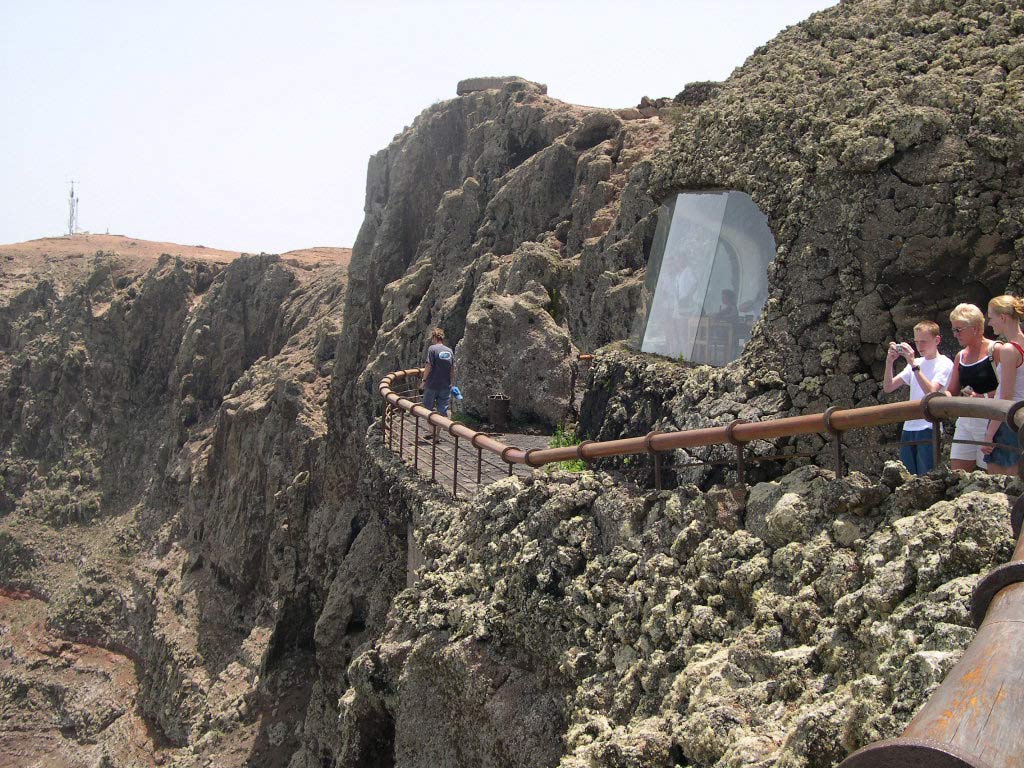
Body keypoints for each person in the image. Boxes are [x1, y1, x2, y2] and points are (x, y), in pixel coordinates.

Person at [882, 320, 953, 474]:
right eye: (917, 342)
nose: (920, 346)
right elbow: (888, 387)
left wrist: (913, 365)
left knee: (927, 475)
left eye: (924, 341)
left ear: (937, 340)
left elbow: (931, 391)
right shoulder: (916, 363)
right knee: (908, 476)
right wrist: (889, 362)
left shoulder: (944, 363)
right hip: (909, 427)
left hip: (929, 426)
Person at [943, 303, 1001, 471]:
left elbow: (1009, 388)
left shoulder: (995, 350)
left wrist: (982, 397)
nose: (955, 335)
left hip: (990, 420)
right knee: (958, 473)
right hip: (966, 420)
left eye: (958, 330)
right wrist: (938, 398)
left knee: (992, 475)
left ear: (975, 328)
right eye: (953, 330)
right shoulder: (961, 356)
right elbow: (952, 390)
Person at [982, 295, 1024, 474]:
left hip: (1007, 422)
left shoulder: (1009, 350)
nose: (989, 323)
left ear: (1003, 317)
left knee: (999, 483)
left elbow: (1005, 396)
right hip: (1020, 420)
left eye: (991, 317)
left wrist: (990, 433)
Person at [421, 327, 455, 421]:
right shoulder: (449, 351)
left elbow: (429, 365)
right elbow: (452, 369)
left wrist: (424, 381)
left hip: (432, 384)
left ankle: (431, 432)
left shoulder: (432, 349)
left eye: (432, 338)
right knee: (442, 411)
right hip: (445, 385)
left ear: (434, 338)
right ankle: (437, 434)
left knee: (427, 410)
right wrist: (451, 383)